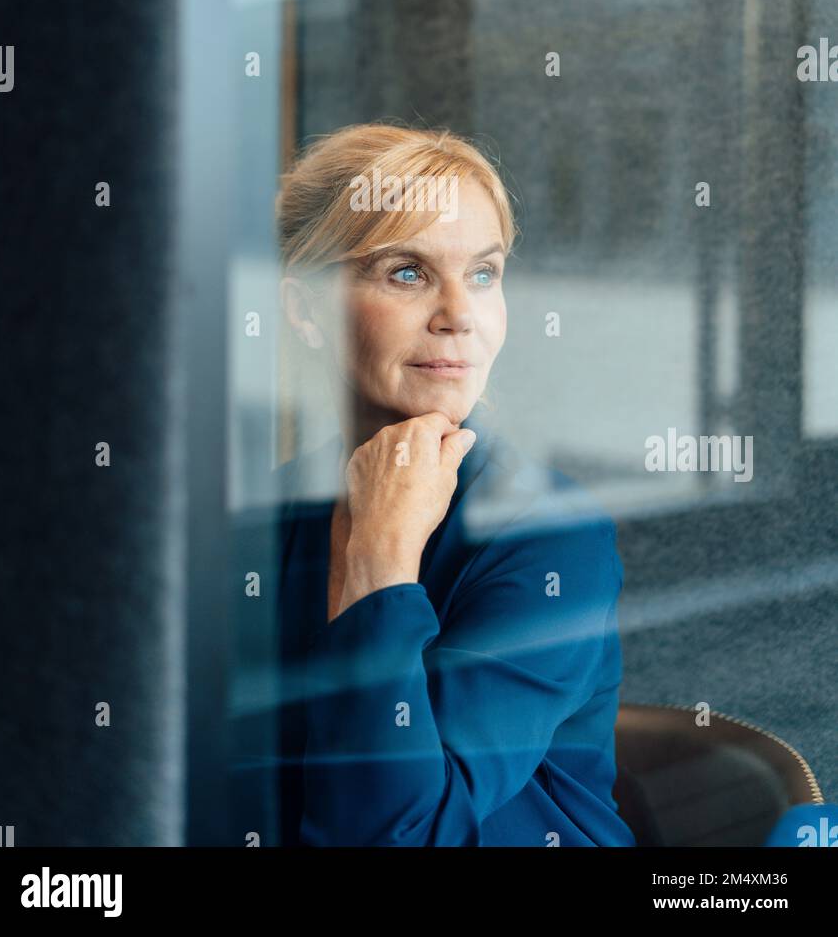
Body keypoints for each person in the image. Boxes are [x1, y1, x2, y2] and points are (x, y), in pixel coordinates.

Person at [230, 122, 637, 847]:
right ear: (302, 307)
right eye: (407, 272)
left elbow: (398, 837)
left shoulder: (548, 533)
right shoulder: (265, 515)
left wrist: (379, 563)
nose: (459, 317)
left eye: (483, 274)